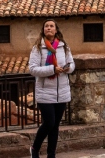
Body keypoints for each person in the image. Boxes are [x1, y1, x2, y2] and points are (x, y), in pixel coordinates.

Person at [28, 19, 74, 158]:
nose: (49, 28)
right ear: (43, 30)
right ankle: (35, 148)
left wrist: (67, 69)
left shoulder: (64, 46)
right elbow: (33, 69)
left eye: (51, 26)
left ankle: (51, 154)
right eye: (46, 26)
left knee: (55, 126)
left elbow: (72, 63)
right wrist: (52, 69)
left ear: (56, 29)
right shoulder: (37, 48)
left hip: (62, 92)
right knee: (49, 123)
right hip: (44, 91)